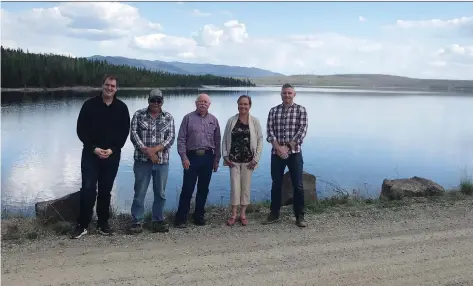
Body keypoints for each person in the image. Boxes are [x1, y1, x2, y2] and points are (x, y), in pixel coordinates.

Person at [71, 75, 131, 239]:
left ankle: (103, 224)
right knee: (88, 190)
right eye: (107, 85)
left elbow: (124, 133)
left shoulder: (122, 108)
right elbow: (80, 130)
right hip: (91, 155)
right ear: (102, 86)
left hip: (112, 156)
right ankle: (82, 225)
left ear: (116, 89)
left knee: (105, 191)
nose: (109, 88)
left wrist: (112, 149)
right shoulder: (89, 105)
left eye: (113, 86)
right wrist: (94, 148)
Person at [128, 89, 176, 234]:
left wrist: (154, 150)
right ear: (148, 100)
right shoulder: (138, 115)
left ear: (162, 101)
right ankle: (137, 221)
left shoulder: (168, 117)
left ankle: (157, 220)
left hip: (162, 162)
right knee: (139, 192)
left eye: (158, 100)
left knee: (160, 193)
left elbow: (171, 138)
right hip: (142, 161)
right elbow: (134, 135)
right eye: (153, 100)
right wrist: (147, 151)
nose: (155, 103)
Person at [263, 83, 308, 228]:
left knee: (298, 185)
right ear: (281, 94)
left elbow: (302, 132)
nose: (287, 95)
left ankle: (299, 216)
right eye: (284, 93)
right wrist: (278, 148)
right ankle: (274, 213)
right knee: (276, 184)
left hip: (294, 153)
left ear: (294, 94)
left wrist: (287, 147)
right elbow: (269, 132)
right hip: (276, 154)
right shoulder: (273, 111)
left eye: (289, 93)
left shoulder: (301, 110)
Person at [174, 93, 221, 228]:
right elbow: (181, 139)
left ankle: (199, 216)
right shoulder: (187, 118)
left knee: (203, 189)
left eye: (206, 102)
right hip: (191, 158)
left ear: (209, 104)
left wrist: (216, 160)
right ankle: (181, 218)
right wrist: (184, 157)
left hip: (208, 157)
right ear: (196, 103)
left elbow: (217, 141)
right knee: (187, 188)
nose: (203, 104)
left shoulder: (214, 120)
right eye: (200, 102)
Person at [222, 95, 263, 226]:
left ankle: (243, 214)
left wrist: (256, 159)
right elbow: (224, 140)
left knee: (245, 187)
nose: (243, 106)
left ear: (250, 106)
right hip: (233, 160)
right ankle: (233, 214)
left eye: (245, 104)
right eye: (241, 104)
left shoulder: (255, 121)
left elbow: (260, 141)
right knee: (235, 187)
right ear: (237, 105)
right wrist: (225, 156)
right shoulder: (231, 121)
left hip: (249, 161)